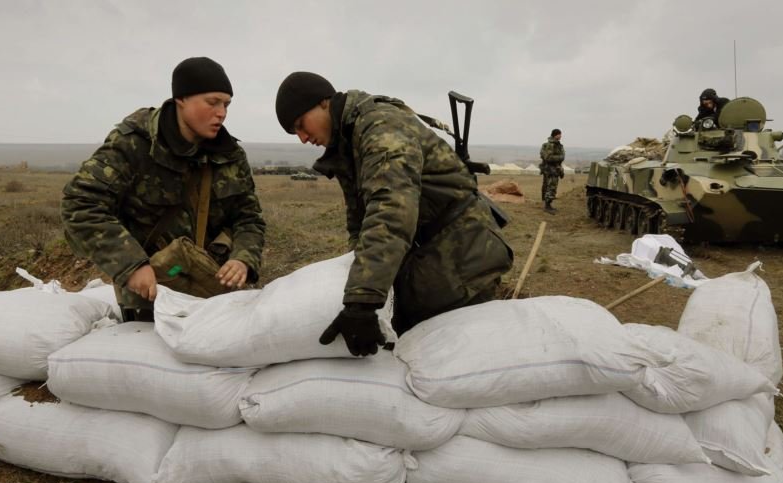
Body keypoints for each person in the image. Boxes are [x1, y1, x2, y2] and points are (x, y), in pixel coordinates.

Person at [274, 71, 513, 355]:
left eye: (301, 125)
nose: (302, 138)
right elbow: (361, 222)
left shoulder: (380, 127)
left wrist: (362, 300)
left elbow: (391, 209)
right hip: (430, 262)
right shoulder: (348, 141)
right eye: (294, 133)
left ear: (324, 102)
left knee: (458, 360)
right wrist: (361, 278)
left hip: (465, 261)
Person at [62, 57, 266, 322]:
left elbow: (249, 219)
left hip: (214, 296)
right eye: (212, 102)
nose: (222, 113)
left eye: (226, 104)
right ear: (181, 99)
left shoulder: (230, 154)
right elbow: (80, 204)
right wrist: (131, 264)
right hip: (151, 300)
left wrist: (243, 260)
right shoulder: (134, 144)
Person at [539, 129, 564, 214]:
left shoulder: (557, 145)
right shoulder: (550, 145)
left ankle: (548, 204)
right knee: (551, 187)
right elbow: (548, 158)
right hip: (551, 170)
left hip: (552, 169)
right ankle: (547, 206)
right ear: (555, 135)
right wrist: (560, 157)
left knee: (550, 186)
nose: (560, 136)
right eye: (559, 134)